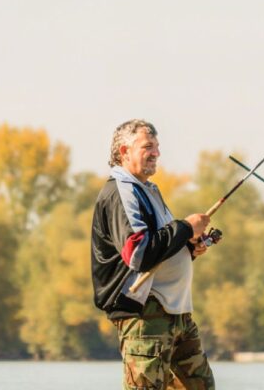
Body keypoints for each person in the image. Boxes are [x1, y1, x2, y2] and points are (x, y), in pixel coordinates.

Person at [91, 119, 215, 390]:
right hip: (145, 315)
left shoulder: (147, 189)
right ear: (124, 152)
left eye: (157, 147)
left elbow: (159, 247)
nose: (156, 153)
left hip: (177, 313)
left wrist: (188, 247)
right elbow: (139, 254)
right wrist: (185, 227)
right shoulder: (121, 190)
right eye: (148, 146)